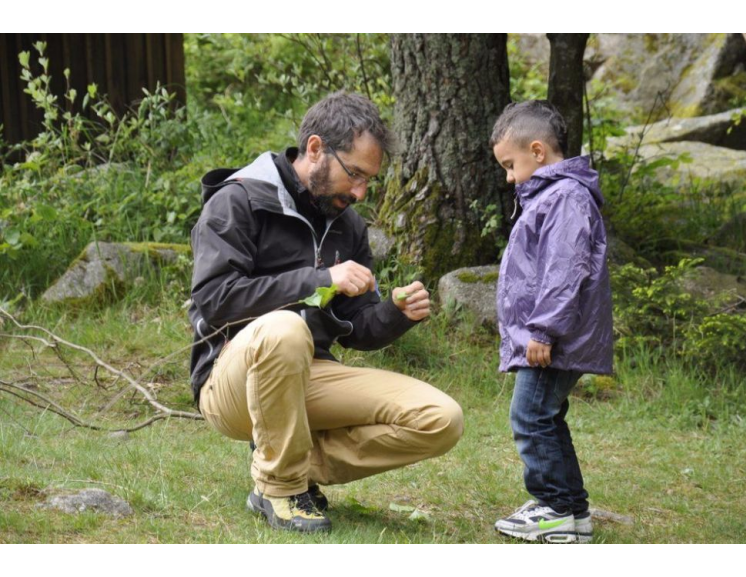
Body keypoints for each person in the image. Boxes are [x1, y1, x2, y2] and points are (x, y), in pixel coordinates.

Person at [188, 91, 464, 533]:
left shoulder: (348, 225)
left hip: (309, 375)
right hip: (229, 382)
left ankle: (290, 459)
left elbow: (357, 328)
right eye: (354, 174)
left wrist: (396, 313)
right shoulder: (238, 200)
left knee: (440, 418)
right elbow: (216, 299)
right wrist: (322, 279)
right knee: (284, 329)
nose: (359, 191)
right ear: (315, 149)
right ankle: (278, 487)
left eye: (369, 180)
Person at [490, 100, 614, 543]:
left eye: (510, 164)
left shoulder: (563, 196)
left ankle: (555, 508)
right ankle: (573, 513)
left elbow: (565, 267)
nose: (508, 176)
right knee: (547, 416)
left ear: (538, 151)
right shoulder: (555, 195)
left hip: (554, 337)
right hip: (555, 334)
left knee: (530, 416)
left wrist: (541, 330)